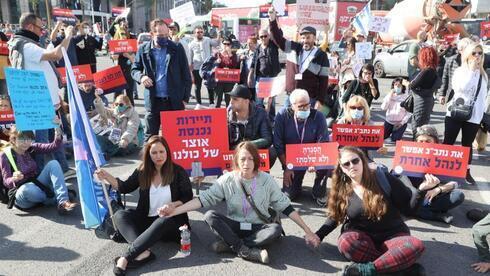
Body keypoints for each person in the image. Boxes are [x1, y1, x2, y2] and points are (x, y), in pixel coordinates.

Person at [159, 141, 318, 264]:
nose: (246, 163)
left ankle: (230, 245)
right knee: (210, 215)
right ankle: (246, 250)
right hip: (234, 225)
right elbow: (203, 199)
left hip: (258, 227)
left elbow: (286, 207)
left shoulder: (266, 180)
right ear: (236, 160)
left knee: (275, 229)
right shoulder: (227, 179)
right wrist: (174, 211)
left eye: (250, 159)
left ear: (256, 161)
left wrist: (308, 231)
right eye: (242, 159)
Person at [308, 146, 433, 275]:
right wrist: (319, 235)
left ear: (362, 160)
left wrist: (421, 191)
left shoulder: (383, 178)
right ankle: (400, 268)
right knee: (346, 242)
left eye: (355, 161)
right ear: (342, 168)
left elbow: (408, 210)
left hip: (393, 234)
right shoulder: (342, 188)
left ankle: (366, 270)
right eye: (346, 164)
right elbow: (335, 216)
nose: (351, 165)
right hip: (363, 239)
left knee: (415, 245)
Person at [95, 136, 193, 275]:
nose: (158, 156)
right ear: (148, 154)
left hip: (172, 221)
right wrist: (106, 176)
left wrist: (173, 205)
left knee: (163, 220)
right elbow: (124, 187)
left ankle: (126, 257)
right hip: (146, 219)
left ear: (167, 152)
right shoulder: (143, 170)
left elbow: (187, 196)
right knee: (120, 215)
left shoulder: (177, 171)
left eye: (161, 151)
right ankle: (144, 252)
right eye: (154, 152)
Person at [8, 13, 74, 177]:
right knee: (43, 141)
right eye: (40, 27)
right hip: (39, 103)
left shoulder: (29, 44)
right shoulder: (25, 45)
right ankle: (43, 174)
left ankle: (62, 169)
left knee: (55, 135)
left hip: (47, 101)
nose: (42, 31)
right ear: (30, 27)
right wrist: (69, 35)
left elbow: (48, 54)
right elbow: (56, 55)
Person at [131, 18, 191, 141]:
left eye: (166, 34)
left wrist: (185, 99)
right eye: (160, 35)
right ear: (152, 34)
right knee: (150, 139)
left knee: (175, 139)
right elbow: (134, 69)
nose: (164, 37)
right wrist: (142, 77)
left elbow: (186, 75)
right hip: (153, 102)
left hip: (173, 102)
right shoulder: (143, 49)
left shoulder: (177, 48)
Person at [0, 126, 78, 213]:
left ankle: (63, 201)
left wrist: (57, 131)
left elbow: (53, 146)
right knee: (27, 190)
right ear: (14, 139)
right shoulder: (5, 155)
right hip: (21, 192)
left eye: (29, 139)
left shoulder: (32, 148)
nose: (26, 142)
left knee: (53, 163)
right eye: (22, 139)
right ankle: (55, 197)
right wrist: (14, 178)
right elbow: (6, 182)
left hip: (37, 184)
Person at [273, 89, 329, 205]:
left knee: (328, 161)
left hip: (313, 156)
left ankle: (319, 189)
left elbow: (323, 142)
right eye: (301, 106)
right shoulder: (282, 115)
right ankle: (296, 185)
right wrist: (286, 167)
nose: (305, 109)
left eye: (308, 105)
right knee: (290, 195)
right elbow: (278, 143)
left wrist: (315, 161)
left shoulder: (318, 116)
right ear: (292, 106)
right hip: (292, 161)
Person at [443, 43, 488, 185]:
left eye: (480, 53)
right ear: (467, 54)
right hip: (455, 112)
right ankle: (442, 169)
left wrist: (480, 116)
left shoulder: (483, 75)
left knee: (467, 146)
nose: (478, 56)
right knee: (448, 143)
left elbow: (482, 98)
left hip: (473, 116)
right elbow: (460, 88)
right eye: (474, 53)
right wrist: (471, 70)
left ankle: (466, 171)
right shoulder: (461, 71)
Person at [268, 6, 329, 110]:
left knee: (307, 125)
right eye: (303, 37)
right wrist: (272, 20)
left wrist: (320, 100)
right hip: (291, 96)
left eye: (308, 37)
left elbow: (324, 81)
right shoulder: (293, 47)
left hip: (309, 98)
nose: (305, 40)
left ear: (314, 38)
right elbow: (278, 39)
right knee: (283, 121)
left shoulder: (321, 56)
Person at [401, 125, 465, 224]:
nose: (424, 144)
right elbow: (396, 177)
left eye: (428, 141)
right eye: (421, 141)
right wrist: (418, 191)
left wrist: (438, 189)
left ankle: (418, 211)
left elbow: (455, 182)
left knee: (458, 195)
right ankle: (432, 215)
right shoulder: (407, 153)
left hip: (431, 197)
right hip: (412, 196)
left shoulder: (444, 156)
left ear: (435, 142)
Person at [227, 84, 275, 165]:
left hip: (254, 153)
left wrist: (247, 145)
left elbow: (268, 139)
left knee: (272, 151)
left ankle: (261, 174)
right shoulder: (227, 115)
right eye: (230, 99)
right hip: (234, 154)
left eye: (235, 99)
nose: (231, 102)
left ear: (246, 101)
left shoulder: (260, 113)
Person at [404, 46, 441, 139]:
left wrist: (406, 83)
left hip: (421, 102)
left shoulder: (426, 71)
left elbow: (412, 85)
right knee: (422, 127)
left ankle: (417, 148)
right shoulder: (434, 71)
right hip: (428, 101)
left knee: (417, 128)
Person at [94, 94, 141, 158]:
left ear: (127, 104)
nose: (118, 106)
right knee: (97, 138)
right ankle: (107, 151)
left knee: (123, 148)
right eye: (116, 104)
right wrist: (99, 102)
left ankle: (106, 153)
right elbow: (104, 111)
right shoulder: (115, 111)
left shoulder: (133, 114)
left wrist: (125, 139)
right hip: (114, 139)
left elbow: (132, 128)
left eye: (121, 104)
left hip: (129, 141)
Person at [248, 29, 281, 117]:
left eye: (265, 36)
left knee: (272, 101)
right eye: (261, 36)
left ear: (269, 36)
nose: (263, 38)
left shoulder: (273, 45)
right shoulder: (258, 48)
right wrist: (250, 75)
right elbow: (253, 62)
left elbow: (278, 35)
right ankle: (259, 118)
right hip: (260, 78)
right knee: (259, 101)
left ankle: (271, 118)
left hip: (272, 77)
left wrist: (273, 20)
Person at [188, 26, 221, 105]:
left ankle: (211, 103)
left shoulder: (207, 39)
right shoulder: (191, 44)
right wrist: (190, 69)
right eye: (198, 32)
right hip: (196, 67)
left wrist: (219, 33)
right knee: (197, 87)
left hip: (208, 67)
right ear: (194, 34)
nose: (200, 34)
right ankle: (198, 104)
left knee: (209, 85)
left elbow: (217, 43)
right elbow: (190, 57)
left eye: (201, 32)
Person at [437, 38, 473, 105]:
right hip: (452, 95)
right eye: (466, 49)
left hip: (470, 97)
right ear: (460, 50)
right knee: (452, 114)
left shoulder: (476, 61)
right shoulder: (451, 60)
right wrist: (442, 94)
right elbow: (445, 78)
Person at [110, 17, 136, 105]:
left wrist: (128, 55)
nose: (124, 28)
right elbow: (113, 57)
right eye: (122, 25)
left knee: (129, 93)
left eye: (126, 25)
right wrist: (114, 55)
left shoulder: (132, 37)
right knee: (117, 93)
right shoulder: (115, 41)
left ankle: (131, 111)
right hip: (118, 71)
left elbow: (134, 59)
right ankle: (115, 111)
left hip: (129, 70)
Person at [381, 78, 411, 142]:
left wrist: (402, 122)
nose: (397, 86)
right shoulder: (389, 96)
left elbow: (409, 113)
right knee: (381, 137)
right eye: (395, 84)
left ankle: (397, 133)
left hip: (400, 123)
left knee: (395, 139)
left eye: (399, 85)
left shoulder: (406, 97)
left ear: (402, 87)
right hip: (389, 122)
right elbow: (383, 107)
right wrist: (390, 95)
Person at [213, 37, 240, 108]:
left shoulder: (233, 55)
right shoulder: (217, 54)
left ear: (231, 45)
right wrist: (216, 62)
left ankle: (228, 116)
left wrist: (229, 54)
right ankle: (217, 116)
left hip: (229, 81)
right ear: (222, 44)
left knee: (228, 100)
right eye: (224, 44)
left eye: (228, 44)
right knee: (218, 100)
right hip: (219, 80)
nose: (226, 46)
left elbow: (234, 65)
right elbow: (213, 66)